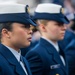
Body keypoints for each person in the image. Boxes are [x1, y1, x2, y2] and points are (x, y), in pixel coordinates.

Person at [25, 3, 69, 75]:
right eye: (58, 24)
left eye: (63, 24)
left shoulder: (60, 49)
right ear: (43, 27)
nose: (64, 28)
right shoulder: (36, 54)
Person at [0, 2, 36, 75]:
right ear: (6, 33)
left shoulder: (23, 59)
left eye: (30, 27)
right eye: (25, 27)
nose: (31, 31)